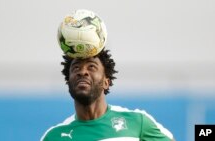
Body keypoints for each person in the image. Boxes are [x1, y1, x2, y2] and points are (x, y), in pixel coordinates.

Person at [40, 49, 175, 141]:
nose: (82, 72)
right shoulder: (54, 136)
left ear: (106, 82)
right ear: (69, 82)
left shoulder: (137, 122)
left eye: (91, 67)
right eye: (76, 68)